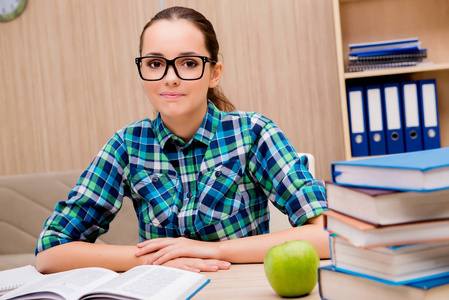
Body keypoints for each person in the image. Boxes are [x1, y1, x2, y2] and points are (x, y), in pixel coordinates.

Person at [35, 6, 329, 274]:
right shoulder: (126, 145)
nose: (170, 78)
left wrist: (213, 250)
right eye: (154, 64)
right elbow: (50, 252)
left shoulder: (253, 133)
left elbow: (328, 235)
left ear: (214, 73)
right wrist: (155, 257)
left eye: (188, 63)